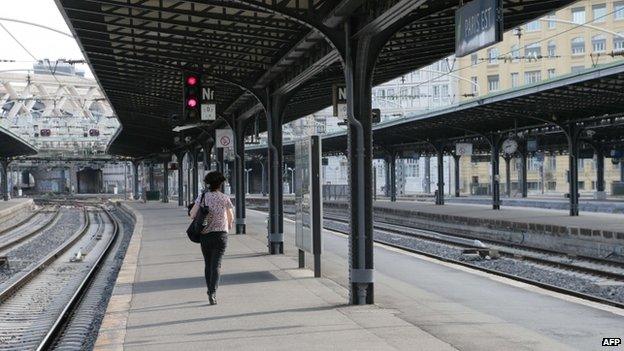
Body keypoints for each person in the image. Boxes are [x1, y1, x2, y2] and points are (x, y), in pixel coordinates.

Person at [190, 171, 233, 305]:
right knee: (216, 264)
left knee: (208, 264)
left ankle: (209, 290)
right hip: (221, 235)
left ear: (208, 184)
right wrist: (227, 226)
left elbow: (192, 214)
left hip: (205, 235)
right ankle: (212, 293)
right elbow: (231, 217)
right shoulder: (225, 198)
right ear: (220, 184)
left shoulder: (202, 197)